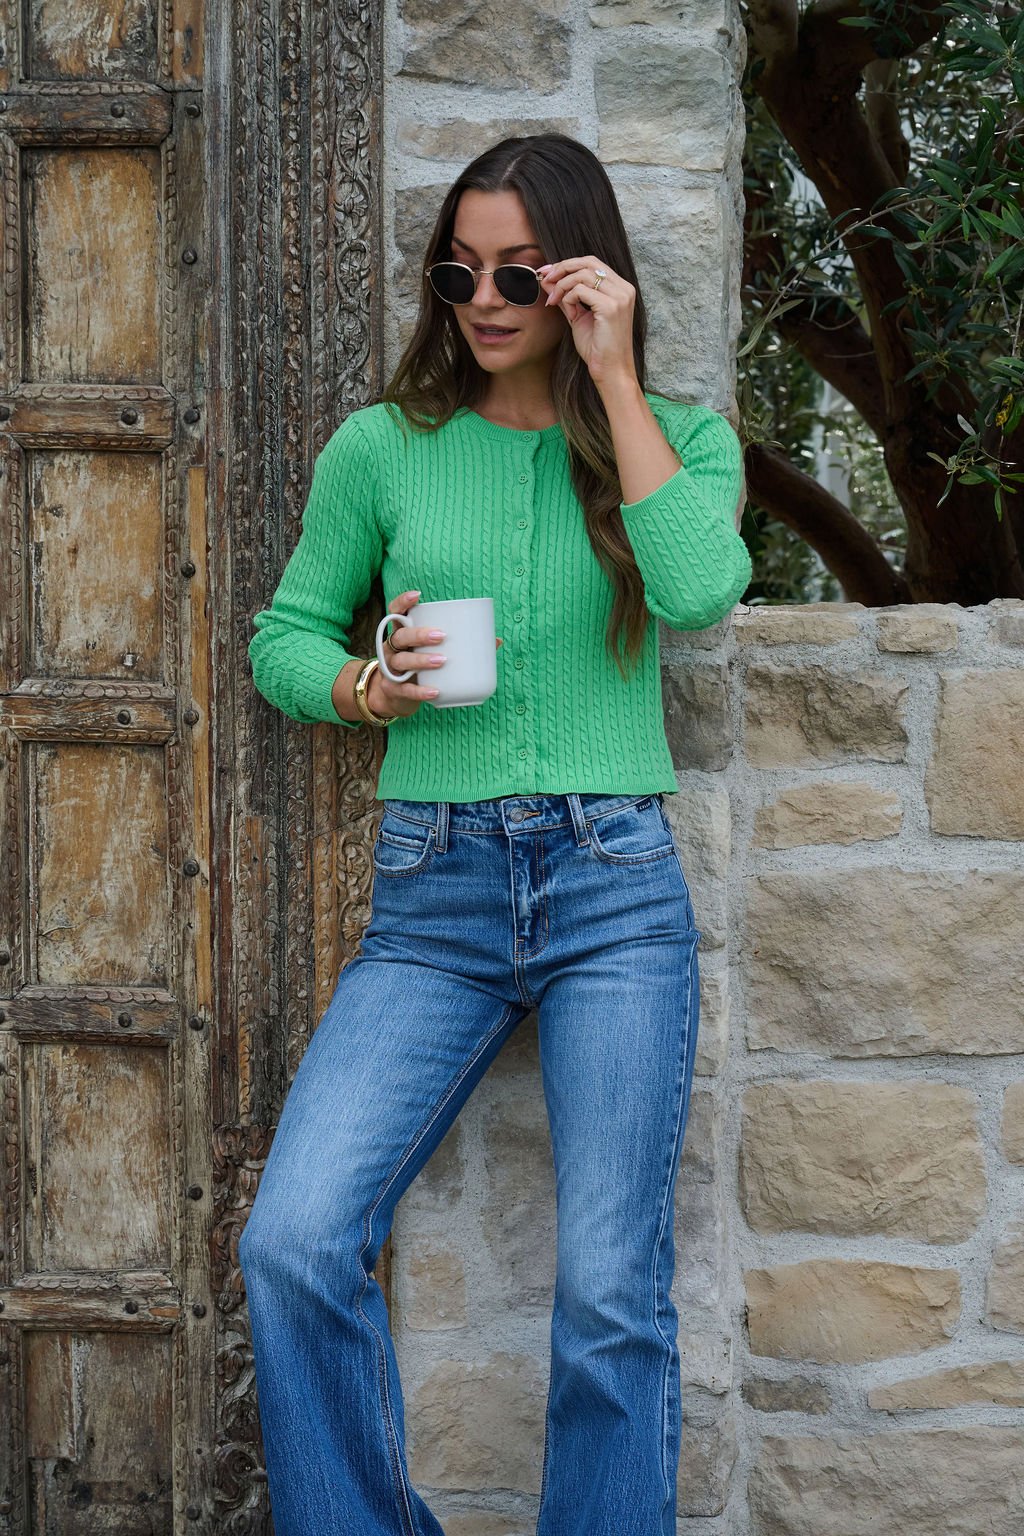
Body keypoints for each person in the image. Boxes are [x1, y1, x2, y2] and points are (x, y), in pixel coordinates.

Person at [237, 131, 751, 1536]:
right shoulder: (383, 447)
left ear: (582, 275)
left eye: (518, 272)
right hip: (434, 890)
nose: (482, 298)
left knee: (610, 1293)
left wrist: (616, 379)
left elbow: (700, 591)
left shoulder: (679, 438)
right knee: (293, 1240)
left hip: (613, 888)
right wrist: (366, 685)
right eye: (457, 271)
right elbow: (285, 637)